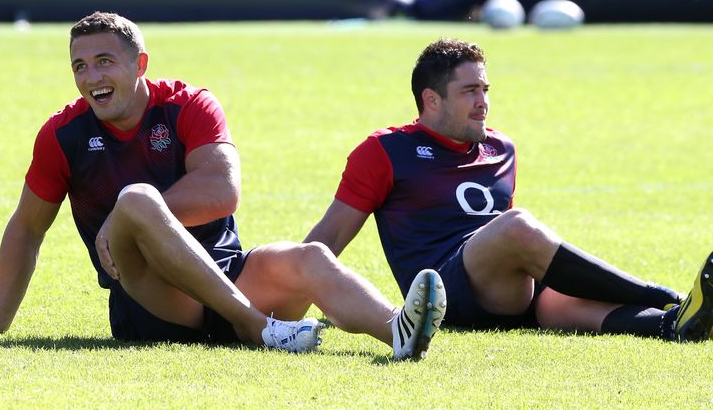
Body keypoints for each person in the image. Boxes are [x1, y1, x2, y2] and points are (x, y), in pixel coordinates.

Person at [0, 12, 447, 360]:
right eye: (79, 65)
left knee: (309, 257)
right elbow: (26, 228)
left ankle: (397, 330)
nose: (90, 76)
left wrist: (136, 216)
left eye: (104, 61)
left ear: (140, 65)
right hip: (151, 303)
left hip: (230, 276)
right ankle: (255, 326)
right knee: (136, 198)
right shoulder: (63, 134)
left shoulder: (189, 105)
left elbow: (222, 192)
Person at [305, 37, 713, 342]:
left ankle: (673, 324)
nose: (483, 102)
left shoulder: (501, 147)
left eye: (485, 90)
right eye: (469, 91)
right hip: (445, 295)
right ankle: (667, 297)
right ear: (431, 99)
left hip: (505, 287)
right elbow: (330, 237)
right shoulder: (385, 150)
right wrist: (283, 298)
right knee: (516, 225)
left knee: (560, 304)